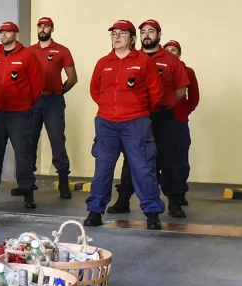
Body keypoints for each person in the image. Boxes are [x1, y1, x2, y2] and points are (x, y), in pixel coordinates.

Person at [84, 20, 164, 230]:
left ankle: (152, 214)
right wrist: (109, 108)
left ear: (132, 38)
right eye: (113, 34)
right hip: (106, 123)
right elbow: (95, 90)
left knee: (143, 167)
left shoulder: (144, 62)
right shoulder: (103, 62)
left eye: (121, 34)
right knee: (102, 168)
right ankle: (95, 212)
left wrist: (137, 109)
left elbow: (156, 92)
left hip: (136, 123)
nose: (116, 37)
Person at [106, 19, 190, 218]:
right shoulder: (131, 58)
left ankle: (175, 203)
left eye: (151, 31)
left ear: (158, 35)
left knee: (168, 159)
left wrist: (164, 104)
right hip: (137, 117)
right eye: (143, 31)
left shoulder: (170, 60)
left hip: (163, 116)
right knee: (131, 159)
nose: (146, 35)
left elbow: (181, 90)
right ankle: (123, 200)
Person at [0, 21, 44, 209]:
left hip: (19, 113)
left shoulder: (28, 56)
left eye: (7, 32)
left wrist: (25, 103)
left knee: (23, 153)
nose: (3, 35)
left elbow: (37, 85)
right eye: (1, 32)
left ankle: (28, 193)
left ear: (16, 35)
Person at [25, 16, 78, 199]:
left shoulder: (62, 51)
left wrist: (59, 92)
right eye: (40, 25)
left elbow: (72, 78)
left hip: (53, 101)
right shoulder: (29, 51)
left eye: (46, 26)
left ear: (51, 29)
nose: (42, 28)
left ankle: (63, 181)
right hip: (33, 101)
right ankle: (27, 183)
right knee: (29, 141)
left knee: (57, 140)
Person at [164, 40, 200, 205]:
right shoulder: (157, 69)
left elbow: (194, 97)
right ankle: (167, 190)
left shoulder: (188, 71)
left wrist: (185, 111)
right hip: (160, 120)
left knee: (181, 160)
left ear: (179, 54)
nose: (171, 52)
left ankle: (179, 193)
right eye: (167, 50)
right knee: (161, 159)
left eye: (174, 50)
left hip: (179, 121)